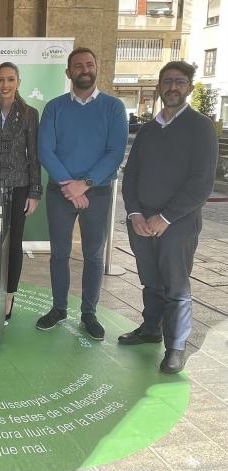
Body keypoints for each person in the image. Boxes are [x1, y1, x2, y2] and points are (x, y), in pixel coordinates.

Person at [120, 61, 218, 373]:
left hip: (177, 224)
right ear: (159, 87)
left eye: (179, 81)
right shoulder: (148, 130)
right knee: (150, 281)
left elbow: (202, 183)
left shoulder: (200, 127)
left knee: (176, 287)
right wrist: (135, 213)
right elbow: (131, 174)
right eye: (167, 81)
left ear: (189, 87)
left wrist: (165, 217)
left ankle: (176, 346)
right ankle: (151, 329)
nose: (172, 87)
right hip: (141, 223)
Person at [36, 47, 128, 340]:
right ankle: (59, 309)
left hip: (97, 193)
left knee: (93, 255)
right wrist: (68, 184)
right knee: (59, 254)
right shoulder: (54, 107)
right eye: (78, 66)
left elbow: (115, 152)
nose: (84, 69)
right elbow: (45, 150)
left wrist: (84, 184)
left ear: (97, 67)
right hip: (60, 192)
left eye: (89, 64)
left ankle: (88, 313)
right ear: (68, 73)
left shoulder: (113, 108)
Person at [0, 62, 41, 323]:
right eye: (1, 79)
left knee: (13, 245)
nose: (5, 85)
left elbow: (33, 156)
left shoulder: (29, 114)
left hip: (19, 187)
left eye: (10, 79)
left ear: (18, 82)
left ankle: (9, 295)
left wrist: (34, 192)